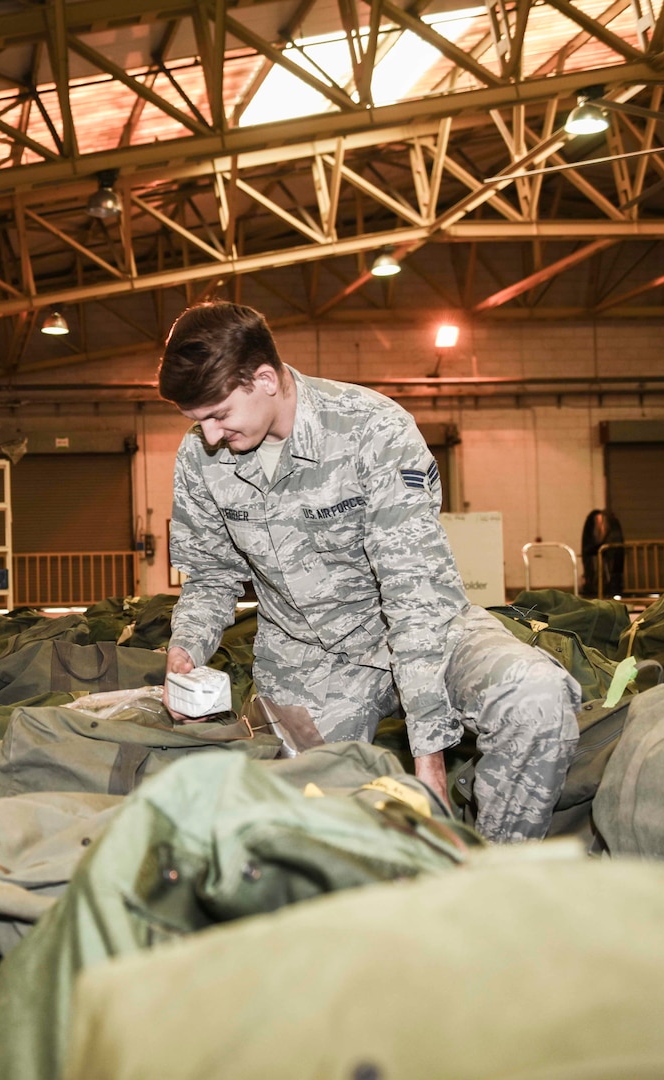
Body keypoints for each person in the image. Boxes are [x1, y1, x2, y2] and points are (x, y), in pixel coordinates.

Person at [161, 303, 580, 842]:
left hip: (426, 631)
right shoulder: (200, 458)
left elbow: (413, 592)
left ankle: (488, 881)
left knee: (536, 697)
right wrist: (185, 649)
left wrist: (428, 756)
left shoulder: (371, 429)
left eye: (219, 414)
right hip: (307, 655)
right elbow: (211, 575)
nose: (212, 435)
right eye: (199, 422)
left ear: (264, 379)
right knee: (295, 832)